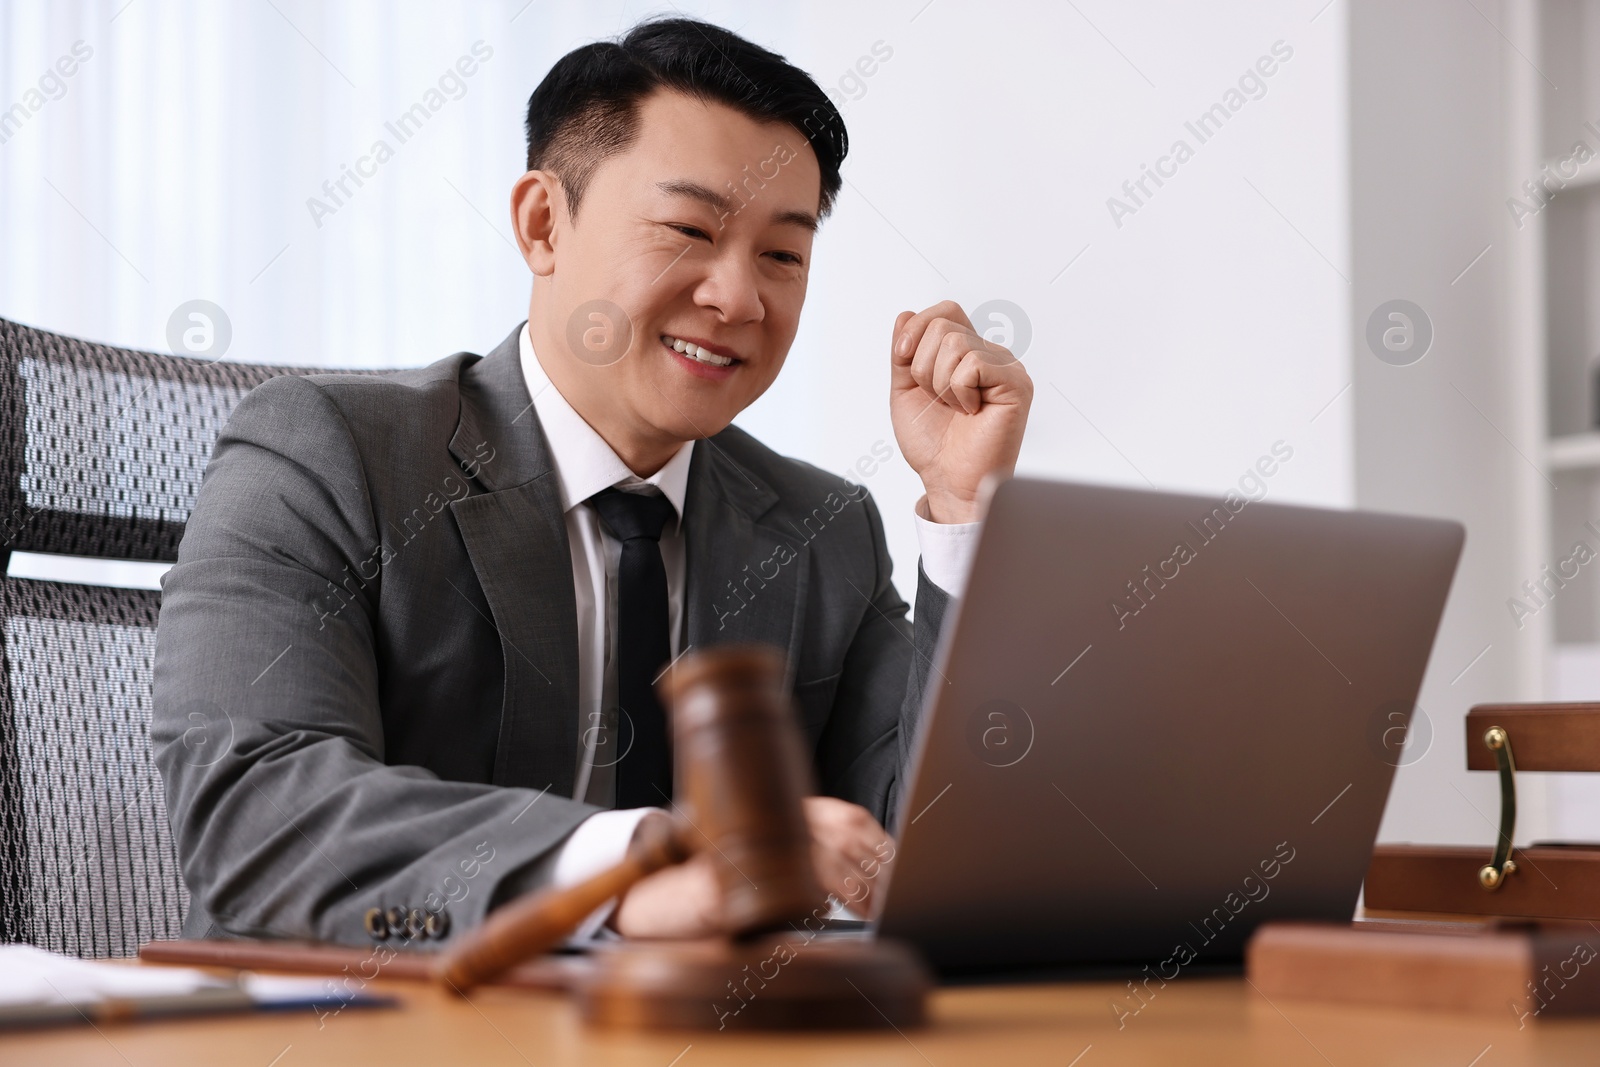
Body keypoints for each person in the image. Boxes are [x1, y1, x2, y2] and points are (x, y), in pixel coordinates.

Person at [152, 16, 1032, 947]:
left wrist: (965, 511)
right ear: (543, 223)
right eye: (689, 228)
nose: (739, 298)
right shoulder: (328, 454)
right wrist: (636, 867)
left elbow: (930, 850)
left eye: (782, 254)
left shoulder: (824, 528)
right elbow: (253, 811)